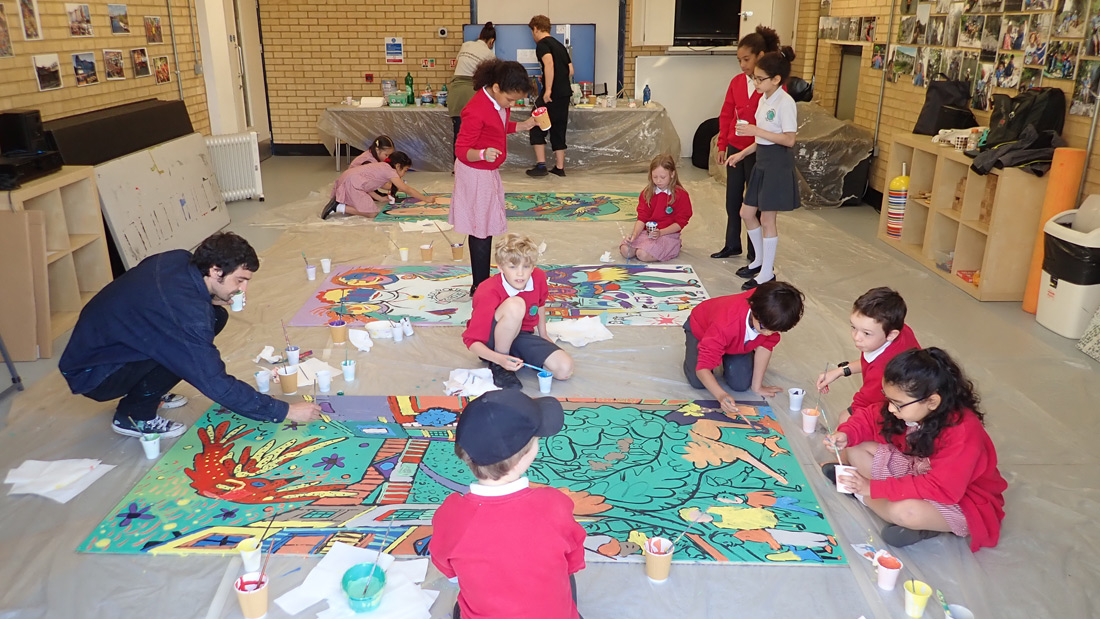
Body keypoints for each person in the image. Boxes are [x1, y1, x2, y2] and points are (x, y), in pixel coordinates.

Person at [59, 232, 321, 438]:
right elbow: (213, 380)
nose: (243, 290)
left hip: (105, 344)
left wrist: (214, 298)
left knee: (215, 316)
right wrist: (285, 411)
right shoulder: (185, 316)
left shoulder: (180, 259)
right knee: (189, 351)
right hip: (95, 373)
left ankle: (147, 390)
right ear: (216, 271)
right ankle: (134, 415)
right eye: (240, 280)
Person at [825, 348, 1008, 550]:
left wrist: (870, 488)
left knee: (905, 513)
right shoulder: (911, 407)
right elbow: (869, 417)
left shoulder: (963, 432)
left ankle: (865, 497)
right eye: (888, 399)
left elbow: (942, 488)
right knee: (856, 445)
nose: (891, 408)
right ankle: (880, 501)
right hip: (918, 470)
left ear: (932, 401)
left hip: (959, 498)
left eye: (898, 404)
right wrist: (846, 434)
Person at [430, 389, 586, 619]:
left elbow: (450, 572)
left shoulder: (450, 515)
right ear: (522, 459)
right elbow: (573, 562)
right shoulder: (555, 505)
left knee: (460, 605)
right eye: (536, 440)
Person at [451, 59, 539, 292]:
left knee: (486, 225)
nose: (512, 104)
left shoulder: (498, 101)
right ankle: (479, 286)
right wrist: (482, 153)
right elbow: (461, 150)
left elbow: (498, 125)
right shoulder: (475, 109)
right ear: (497, 87)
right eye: (510, 99)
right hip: (474, 172)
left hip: (486, 171)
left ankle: (482, 282)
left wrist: (522, 125)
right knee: (480, 229)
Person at [461, 233, 574, 390]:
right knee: (516, 304)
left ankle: (515, 356)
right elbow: (471, 341)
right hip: (492, 340)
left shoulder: (538, 277)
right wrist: (499, 359)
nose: (520, 273)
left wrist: (543, 335)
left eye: (526, 266)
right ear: (500, 267)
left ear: (533, 267)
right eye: (512, 267)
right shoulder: (487, 290)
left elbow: (540, 304)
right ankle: (499, 366)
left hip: (520, 335)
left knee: (564, 369)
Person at [729, 47, 800, 291]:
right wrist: (742, 153)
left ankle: (767, 273)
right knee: (746, 213)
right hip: (762, 160)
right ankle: (759, 261)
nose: (756, 83)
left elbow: (789, 139)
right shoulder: (764, 99)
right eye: (755, 78)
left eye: (760, 79)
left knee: (768, 218)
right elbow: (762, 138)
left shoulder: (785, 102)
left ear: (776, 79)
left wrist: (755, 131)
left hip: (777, 164)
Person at [712, 26, 781, 261]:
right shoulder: (737, 82)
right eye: (739, 60)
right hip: (735, 148)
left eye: (746, 59)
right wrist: (722, 144)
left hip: (758, 151)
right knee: (733, 200)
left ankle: (755, 253)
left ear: (760, 56)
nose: (742, 65)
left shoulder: (772, 87)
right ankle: (732, 244)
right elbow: (726, 114)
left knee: (754, 204)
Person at [683, 281, 804, 410]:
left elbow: (765, 347)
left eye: (774, 330)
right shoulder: (725, 325)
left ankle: (728, 352)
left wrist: (757, 387)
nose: (768, 333)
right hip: (701, 329)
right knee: (698, 382)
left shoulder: (769, 312)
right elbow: (703, 368)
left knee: (740, 385)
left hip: (734, 339)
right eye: (763, 327)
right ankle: (710, 352)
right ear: (752, 309)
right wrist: (721, 395)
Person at [815, 287, 921, 426]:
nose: (856, 337)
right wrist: (840, 371)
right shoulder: (901, 331)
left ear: (891, 334)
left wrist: (843, 431)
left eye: (866, 333)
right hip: (914, 398)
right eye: (853, 327)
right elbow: (870, 362)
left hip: (902, 414)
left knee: (844, 420)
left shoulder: (882, 372)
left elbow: (863, 404)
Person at [620, 154, 693, 262]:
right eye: (655, 177)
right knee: (626, 250)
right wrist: (634, 234)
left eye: (663, 177)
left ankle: (672, 247)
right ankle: (648, 246)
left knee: (642, 254)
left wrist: (661, 232)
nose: (658, 181)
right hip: (647, 233)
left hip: (668, 235)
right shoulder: (647, 193)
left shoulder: (681, 195)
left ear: (672, 174)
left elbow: (681, 222)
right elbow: (642, 218)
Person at [322, 152, 437, 219]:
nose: (404, 174)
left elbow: (368, 186)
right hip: (351, 183)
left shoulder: (382, 167)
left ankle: (342, 204)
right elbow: (406, 189)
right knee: (372, 213)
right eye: (405, 170)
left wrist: (381, 198)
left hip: (348, 179)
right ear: (398, 166)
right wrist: (425, 198)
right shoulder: (390, 171)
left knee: (361, 207)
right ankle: (338, 207)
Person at [526, 14, 573, 178]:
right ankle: (559, 168)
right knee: (558, 129)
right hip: (564, 94)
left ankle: (541, 166)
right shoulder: (560, 46)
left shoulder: (542, 44)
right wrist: (550, 78)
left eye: (532, 31)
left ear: (536, 29)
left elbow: (549, 64)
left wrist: (548, 89)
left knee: (535, 125)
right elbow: (570, 71)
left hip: (551, 95)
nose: (533, 35)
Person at [448, 22, 497, 149]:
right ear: (492, 41)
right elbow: (490, 79)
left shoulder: (466, 45)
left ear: (480, 36)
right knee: (472, 134)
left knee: (458, 133)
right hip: (472, 92)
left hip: (455, 91)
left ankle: (457, 162)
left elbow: (457, 64)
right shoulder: (489, 55)